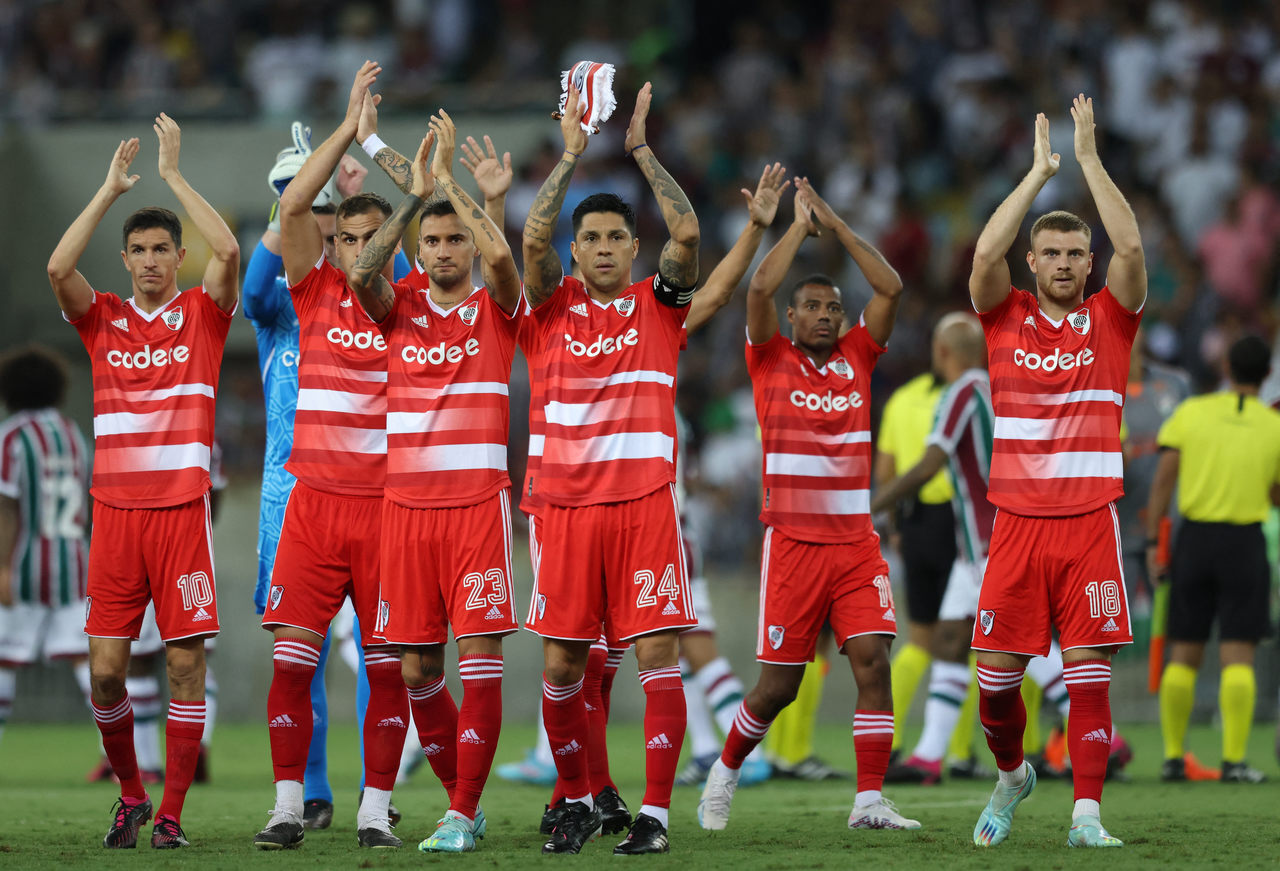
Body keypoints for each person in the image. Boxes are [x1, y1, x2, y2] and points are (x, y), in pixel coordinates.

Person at [698, 179, 917, 832]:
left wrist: (838, 225)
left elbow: (892, 289)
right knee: (778, 688)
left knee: (873, 661)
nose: (825, 314)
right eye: (813, 306)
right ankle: (727, 769)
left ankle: (869, 799)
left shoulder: (858, 356)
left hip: (855, 543)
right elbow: (758, 289)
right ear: (792, 320)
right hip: (791, 545)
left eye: (832, 307)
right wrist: (794, 227)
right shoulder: (769, 359)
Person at [46, 115, 240, 849]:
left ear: (177, 256)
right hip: (116, 520)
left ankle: (171, 814)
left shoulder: (203, 315)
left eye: (163, 249)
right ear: (125, 259)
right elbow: (57, 271)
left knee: (186, 665)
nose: (153, 260)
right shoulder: (104, 320)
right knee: (105, 676)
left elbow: (227, 248)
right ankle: (130, 793)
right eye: (140, 250)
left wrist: (174, 176)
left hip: (181, 516)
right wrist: (107, 191)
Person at [520, 81, 701, 856]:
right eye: (587, 237)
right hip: (563, 509)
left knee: (657, 655)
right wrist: (567, 156)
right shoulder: (548, 308)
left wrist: (641, 154)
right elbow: (530, 242)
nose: (599, 246)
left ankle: (656, 816)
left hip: (644, 506)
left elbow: (688, 233)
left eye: (612, 238)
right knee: (562, 665)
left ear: (632, 249)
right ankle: (588, 793)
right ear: (576, 250)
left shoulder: (659, 307)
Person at [965, 95, 1144, 849]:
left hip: (1088, 525)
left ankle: (1087, 816)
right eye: (1054, 254)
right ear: (1033, 263)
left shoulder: (1111, 319)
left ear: (1087, 263)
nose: (1067, 264)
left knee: (1088, 675)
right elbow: (981, 257)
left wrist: (1091, 160)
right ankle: (1012, 773)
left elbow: (1133, 253)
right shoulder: (1002, 317)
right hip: (1016, 525)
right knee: (996, 688)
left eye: (1077, 254)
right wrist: (1038, 175)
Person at [346, 108, 520, 854]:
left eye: (455, 239)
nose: (445, 250)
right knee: (418, 666)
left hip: (477, 509)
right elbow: (360, 272)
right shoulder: (399, 308)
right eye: (432, 241)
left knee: (479, 657)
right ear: (417, 247)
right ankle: (464, 805)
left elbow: (506, 262)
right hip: (405, 512)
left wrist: (460, 188)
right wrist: (419, 194)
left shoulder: (497, 308)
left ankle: (461, 810)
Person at [251, 62, 407, 851]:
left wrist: (393, 167)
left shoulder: (407, 306)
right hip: (312, 505)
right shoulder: (309, 290)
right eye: (342, 236)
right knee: (290, 663)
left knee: (386, 671)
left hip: (386, 511)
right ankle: (288, 804)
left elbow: (424, 226)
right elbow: (290, 203)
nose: (352, 248)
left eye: (368, 237)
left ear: (391, 244)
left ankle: (375, 810)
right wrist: (349, 129)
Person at [1149, 335, 1280, 784]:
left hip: (1195, 541)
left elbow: (1165, 477)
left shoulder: (1192, 412)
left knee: (1183, 653)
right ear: (1266, 375)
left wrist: (1153, 542)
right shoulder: (1273, 425)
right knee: (1238, 654)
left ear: (1226, 366)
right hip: (1245, 542)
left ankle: (1171, 757)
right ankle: (1234, 761)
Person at [873, 314, 992, 783]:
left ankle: (1101, 733)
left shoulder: (943, 394)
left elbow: (912, 466)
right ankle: (935, 754)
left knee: (936, 637)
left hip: (961, 530)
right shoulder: (998, 389)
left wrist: (877, 512)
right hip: (962, 534)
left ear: (941, 352)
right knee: (950, 639)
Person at [0, 346, 94, 750]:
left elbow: (6, 507)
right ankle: (123, 755)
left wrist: (2, 567)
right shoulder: (73, 434)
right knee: (86, 660)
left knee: (4, 658)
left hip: (24, 564)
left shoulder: (12, 436)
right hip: (75, 562)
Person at [874, 343, 957, 766]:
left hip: (913, 521)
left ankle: (890, 739)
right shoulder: (968, 395)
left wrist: (892, 526)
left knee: (920, 638)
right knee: (979, 639)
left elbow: (885, 469)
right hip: (958, 525)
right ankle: (960, 752)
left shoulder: (902, 399)